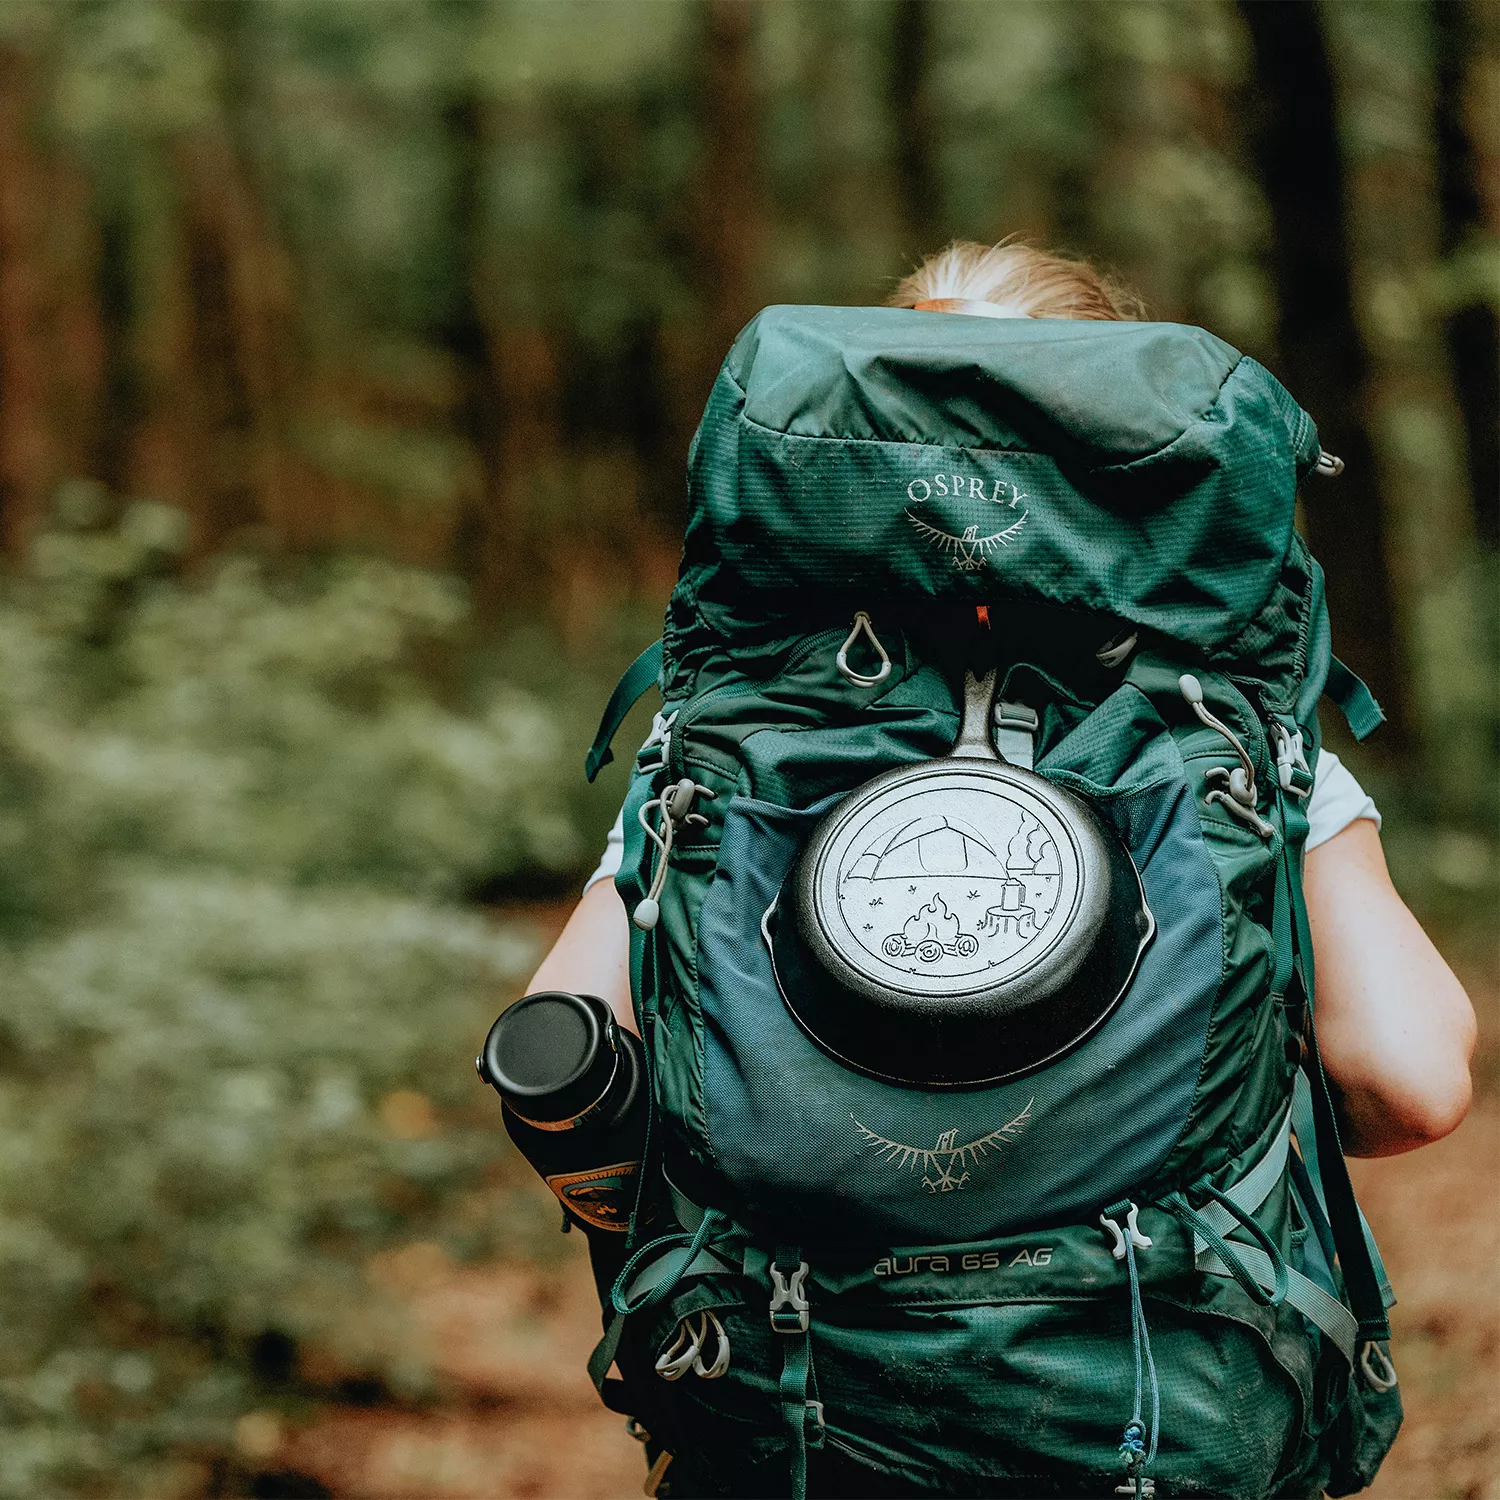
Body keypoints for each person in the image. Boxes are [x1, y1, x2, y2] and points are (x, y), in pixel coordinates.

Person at [529, 239, 1474, 1163]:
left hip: (797, 1314)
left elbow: (558, 1047)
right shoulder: (1217, 721)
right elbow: (1410, 1085)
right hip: (1144, 1302)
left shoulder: (742, 719)